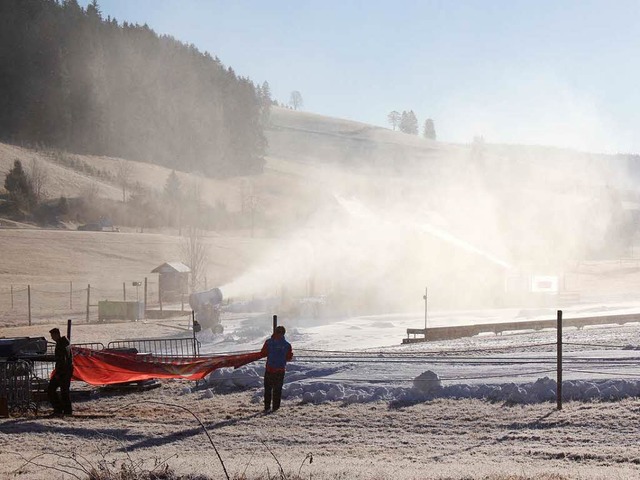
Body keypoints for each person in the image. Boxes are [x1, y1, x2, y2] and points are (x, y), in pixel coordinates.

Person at [260, 325, 293, 412]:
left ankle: (267, 407)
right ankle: (275, 407)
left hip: (270, 369)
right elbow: (289, 357)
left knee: (268, 389)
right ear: (284, 333)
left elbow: (263, 353)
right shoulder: (287, 345)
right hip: (280, 370)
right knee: (277, 390)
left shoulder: (268, 342)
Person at [47, 327, 73, 416]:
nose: (51, 338)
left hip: (63, 371)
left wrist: (58, 373)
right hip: (67, 370)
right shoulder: (65, 342)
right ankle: (67, 410)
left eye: (52, 336)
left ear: (56, 335)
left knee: (51, 389)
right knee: (64, 391)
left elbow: (62, 360)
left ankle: (59, 409)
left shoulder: (60, 344)